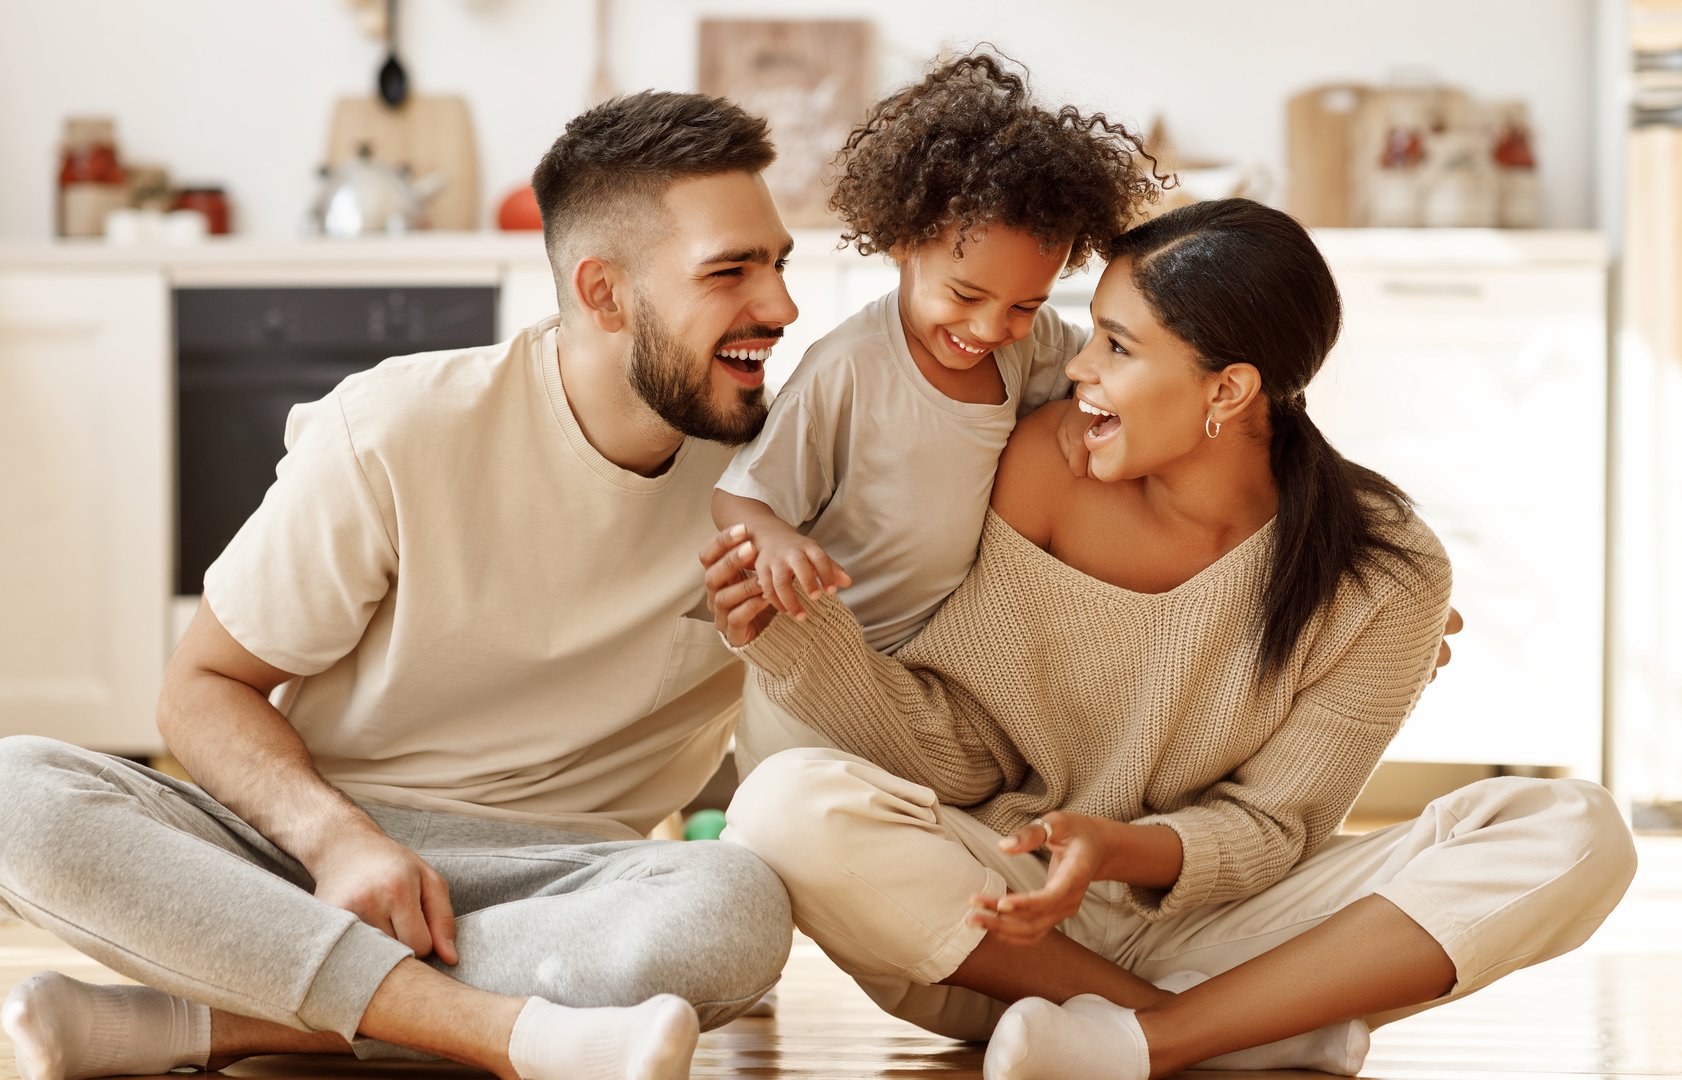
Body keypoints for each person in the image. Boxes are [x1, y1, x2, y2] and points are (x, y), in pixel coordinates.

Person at [703, 199, 1637, 1080]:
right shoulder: (1049, 467)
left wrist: (1113, 849)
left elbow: (1274, 829)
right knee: (784, 805)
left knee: (1578, 829)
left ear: (1227, 390)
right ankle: (1224, 1031)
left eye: (1117, 346)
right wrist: (796, 638)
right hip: (1003, 936)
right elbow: (965, 747)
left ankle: (1155, 1039)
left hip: (1225, 925)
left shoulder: (1386, 571)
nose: (1077, 369)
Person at [0, 90, 800, 1080]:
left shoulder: (785, 473)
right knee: (14, 789)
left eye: (777, 263)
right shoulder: (395, 431)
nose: (779, 307)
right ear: (602, 293)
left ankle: (204, 1018)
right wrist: (339, 843)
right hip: (310, 860)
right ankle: (510, 1034)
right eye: (732, 271)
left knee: (733, 910)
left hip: (566, 880)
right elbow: (199, 689)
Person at [711, 52, 1156, 773]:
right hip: (815, 687)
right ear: (902, 242)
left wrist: (1088, 407)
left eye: (1025, 304)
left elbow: (1093, 372)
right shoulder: (849, 368)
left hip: (927, 679)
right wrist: (773, 540)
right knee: (802, 829)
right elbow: (738, 495)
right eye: (965, 295)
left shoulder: (1028, 345)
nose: (988, 328)